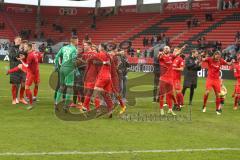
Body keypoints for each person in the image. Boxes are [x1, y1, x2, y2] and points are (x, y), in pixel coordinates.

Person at [201, 51, 232, 115]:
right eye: (217, 55)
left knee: (218, 95)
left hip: (216, 80)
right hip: (210, 79)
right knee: (207, 92)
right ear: (214, 55)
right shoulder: (209, 59)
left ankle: (217, 109)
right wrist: (202, 55)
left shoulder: (221, 61)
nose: (218, 57)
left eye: (219, 56)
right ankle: (204, 106)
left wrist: (232, 61)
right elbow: (203, 59)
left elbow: (228, 64)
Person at [54, 36, 78, 111]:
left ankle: (56, 103)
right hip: (69, 69)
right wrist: (76, 70)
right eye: (77, 41)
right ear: (74, 41)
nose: (78, 42)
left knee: (61, 86)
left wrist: (57, 66)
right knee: (70, 88)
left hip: (62, 68)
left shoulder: (64, 48)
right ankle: (66, 106)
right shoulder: (74, 49)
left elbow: (57, 56)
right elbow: (74, 61)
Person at [18, 42, 40, 110]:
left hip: (31, 73)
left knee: (26, 88)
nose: (24, 48)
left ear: (29, 47)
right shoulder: (32, 53)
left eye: (25, 47)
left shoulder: (30, 55)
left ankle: (31, 103)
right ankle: (32, 99)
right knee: (36, 85)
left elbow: (27, 65)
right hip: (36, 72)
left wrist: (21, 60)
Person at [158, 46, 179, 116]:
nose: (167, 49)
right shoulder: (162, 56)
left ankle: (170, 109)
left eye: (168, 48)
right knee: (162, 95)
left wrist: (182, 48)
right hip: (163, 78)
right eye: (165, 48)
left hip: (170, 78)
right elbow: (158, 57)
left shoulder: (171, 56)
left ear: (170, 50)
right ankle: (161, 109)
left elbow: (176, 54)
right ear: (164, 50)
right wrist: (161, 53)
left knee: (170, 94)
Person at [8, 36, 27, 105]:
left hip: (22, 69)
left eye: (20, 40)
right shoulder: (12, 48)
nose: (19, 41)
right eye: (18, 40)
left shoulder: (22, 49)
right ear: (14, 40)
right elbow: (12, 57)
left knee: (23, 84)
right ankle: (14, 99)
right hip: (14, 69)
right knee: (15, 85)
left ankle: (21, 98)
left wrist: (24, 55)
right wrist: (19, 54)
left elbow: (25, 57)